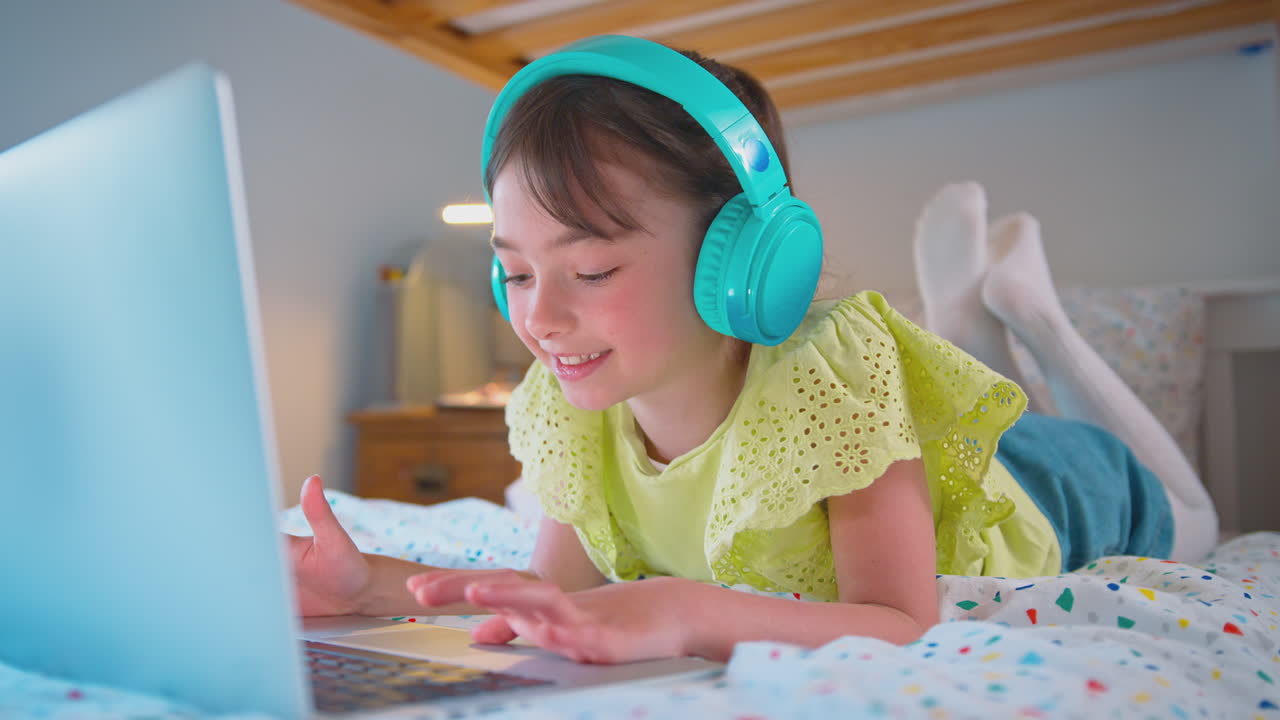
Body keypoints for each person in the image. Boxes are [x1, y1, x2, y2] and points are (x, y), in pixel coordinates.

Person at [287, 36, 1218, 666]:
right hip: (925, 467)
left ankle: (1037, 318)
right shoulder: (579, 414)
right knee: (974, 401)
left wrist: (688, 609)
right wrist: (368, 583)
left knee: (1193, 508)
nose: (541, 319)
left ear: (745, 265)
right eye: (518, 274)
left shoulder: (831, 382)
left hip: (1067, 489)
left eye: (594, 270)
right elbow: (542, 598)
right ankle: (976, 318)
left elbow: (900, 622)